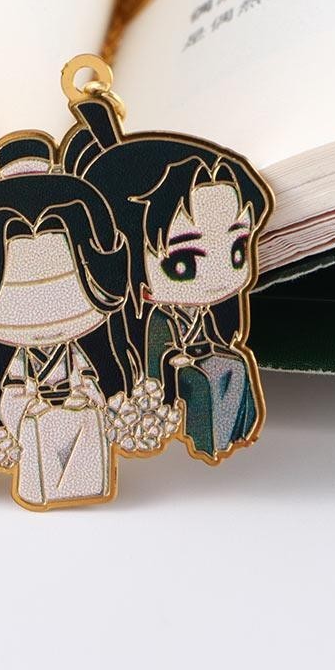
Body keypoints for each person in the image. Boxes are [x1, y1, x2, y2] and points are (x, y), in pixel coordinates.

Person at [68, 97, 272, 461]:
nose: (218, 278)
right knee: (206, 378)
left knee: (232, 366)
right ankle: (212, 440)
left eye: (237, 251)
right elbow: (152, 365)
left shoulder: (205, 314)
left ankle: (231, 435)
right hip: (167, 389)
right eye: (183, 263)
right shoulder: (151, 321)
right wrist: (172, 364)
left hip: (204, 366)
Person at [0, 135, 132, 508]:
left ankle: (84, 485)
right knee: (39, 457)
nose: (43, 309)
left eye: (66, 289)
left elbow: (89, 377)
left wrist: (86, 394)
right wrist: (26, 407)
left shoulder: (74, 354)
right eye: (17, 297)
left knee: (85, 445)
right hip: (35, 419)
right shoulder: (21, 360)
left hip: (78, 413)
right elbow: (13, 391)